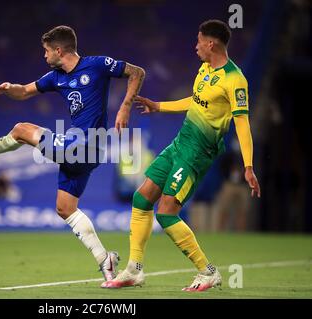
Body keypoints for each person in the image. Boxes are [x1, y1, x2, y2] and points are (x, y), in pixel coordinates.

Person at [0, 25, 145, 282]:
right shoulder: (55, 77)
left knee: (21, 129)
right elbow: (24, 91)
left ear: (59, 49)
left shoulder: (97, 65)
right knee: (65, 208)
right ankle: (106, 260)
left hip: (86, 145)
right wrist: (10, 87)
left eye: (46, 51)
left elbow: (137, 72)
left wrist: (125, 108)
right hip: (80, 151)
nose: (44, 56)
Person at [102, 20, 261, 291]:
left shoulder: (236, 80)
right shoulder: (205, 69)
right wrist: (159, 106)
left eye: (198, 40)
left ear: (211, 43)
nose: (195, 45)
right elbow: (195, 101)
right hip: (179, 143)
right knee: (141, 198)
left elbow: (242, 123)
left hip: (197, 153)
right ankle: (134, 269)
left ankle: (207, 271)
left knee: (166, 213)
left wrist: (248, 166)